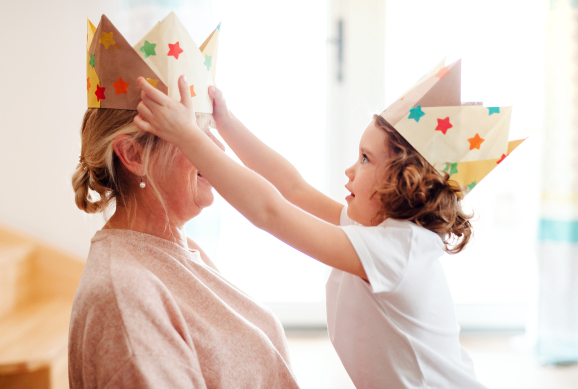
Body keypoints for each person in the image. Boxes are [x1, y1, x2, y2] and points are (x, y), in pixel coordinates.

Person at [134, 74, 490, 388]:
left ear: (403, 183)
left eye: (366, 159)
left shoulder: (399, 250)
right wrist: (226, 123)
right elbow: (293, 189)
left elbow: (270, 211)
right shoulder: (378, 230)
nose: (350, 170)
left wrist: (186, 137)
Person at [68, 107, 299, 388]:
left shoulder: (187, 249)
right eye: (193, 131)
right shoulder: (124, 296)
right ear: (133, 155)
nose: (217, 147)